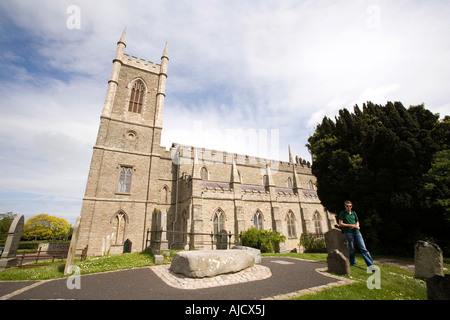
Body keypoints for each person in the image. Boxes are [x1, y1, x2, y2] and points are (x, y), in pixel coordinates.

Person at [338, 200, 376, 270]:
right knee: (351, 248)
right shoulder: (342, 213)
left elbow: (357, 221)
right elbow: (340, 223)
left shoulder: (354, 213)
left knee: (363, 248)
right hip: (348, 232)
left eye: (350, 206)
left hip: (357, 232)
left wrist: (357, 225)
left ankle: (371, 266)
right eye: (347, 206)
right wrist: (351, 225)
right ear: (345, 206)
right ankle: (352, 263)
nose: (348, 207)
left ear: (351, 206)